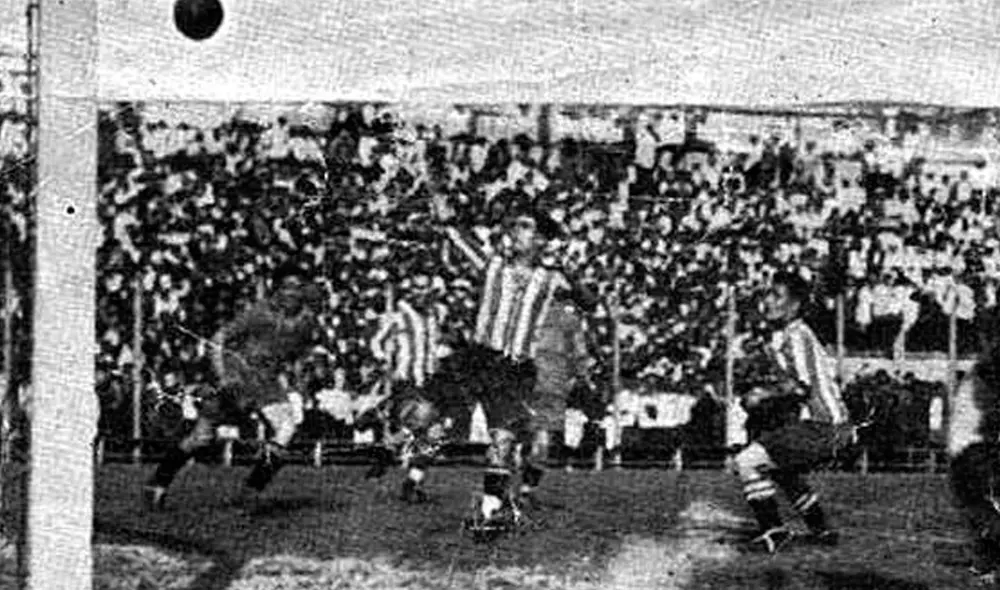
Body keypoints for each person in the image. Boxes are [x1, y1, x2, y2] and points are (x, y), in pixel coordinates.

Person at [439, 202, 598, 537]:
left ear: (540, 239)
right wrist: (443, 206)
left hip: (514, 369)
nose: (516, 232)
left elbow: (589, 302)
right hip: (478, 360)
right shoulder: (492, 265)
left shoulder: (551, 279)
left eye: (525, 226)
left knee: (504, 438)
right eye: (515, 226)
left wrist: (568, 266)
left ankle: (489, 510)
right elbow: (457, 235)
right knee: (431, 422)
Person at [142, 263, 320, 510]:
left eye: (298, 288)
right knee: (202, 437)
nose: (292, 293)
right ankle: (158, 484)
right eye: (286, 287)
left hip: (266, 382)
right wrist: (223, 375)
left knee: (286, 428)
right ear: (276, 289)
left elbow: (294, 354)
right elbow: (218, 340)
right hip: (238, 378)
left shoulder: (306, 321)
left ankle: (248, 494)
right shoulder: (259, 313)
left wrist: (295, 379)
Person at [731, 271, 853, 553]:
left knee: (746, 461)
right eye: (768, 294)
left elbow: (801, 387)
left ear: (795, 305)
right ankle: (821, 528)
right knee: (781, 469)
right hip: (833, 426)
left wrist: (763, 394)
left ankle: (774, 531)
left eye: (777, 296)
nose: (768, 301)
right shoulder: (790, 336)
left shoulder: (796, 336)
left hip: (824, 426)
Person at [948, 316, 1000, 585]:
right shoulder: (988, 366)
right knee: (982, 506)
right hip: (976, 444)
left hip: (976, 444)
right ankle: (987, 562)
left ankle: (986, 563)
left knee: (981, 507)